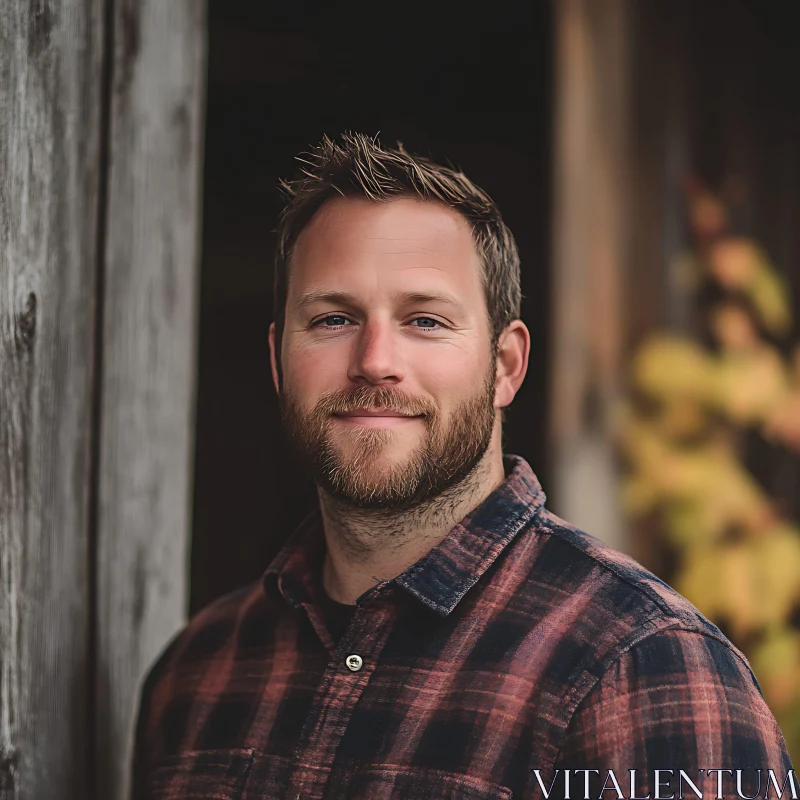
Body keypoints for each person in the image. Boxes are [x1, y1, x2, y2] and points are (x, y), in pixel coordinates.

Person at [131, 133, 794, 800]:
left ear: (505, 366)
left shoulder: (645, 669)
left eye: (425, 320)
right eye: (333, 319)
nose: (375, 359)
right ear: (279, 361)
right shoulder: (199, 671)